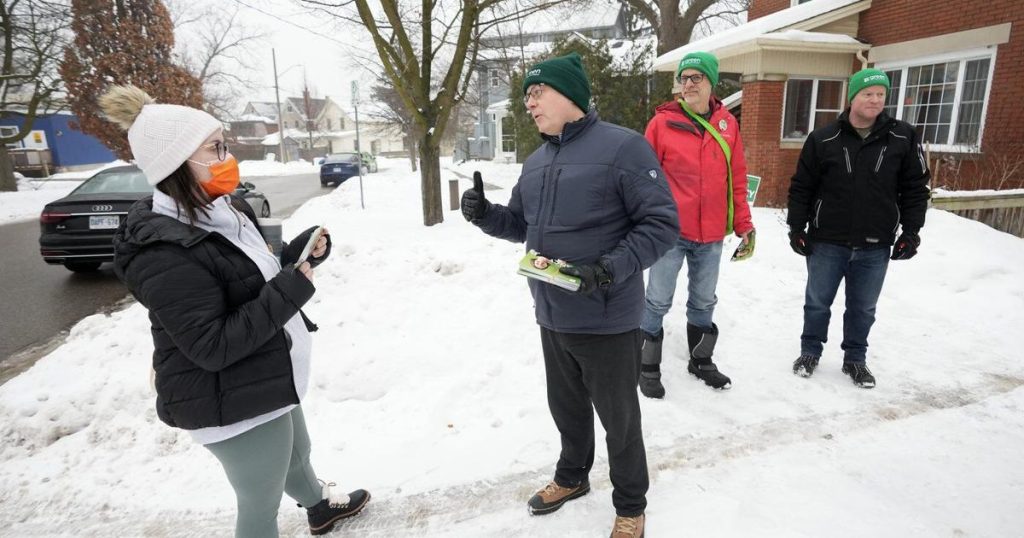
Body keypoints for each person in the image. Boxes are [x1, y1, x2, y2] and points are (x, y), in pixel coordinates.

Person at [101, 85, 369, 537]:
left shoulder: (225, 209)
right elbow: (212, 345)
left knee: (297, 449)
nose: (227, 157)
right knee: (259, 500)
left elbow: (245, 282)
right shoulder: (163, 250)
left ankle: (319, 506)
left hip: (263, 371)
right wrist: (292, 287)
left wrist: (294, 260)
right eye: (215, 148)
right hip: (226, 396)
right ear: (175, 163)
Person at [461, 52, 677, 538]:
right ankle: (572, 477)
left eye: (537, 92)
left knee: (618, 419)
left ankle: (631, 504)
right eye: (526, 95)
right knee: (567, 407)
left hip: (606, 316)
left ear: (569, 96)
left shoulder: (624, 149)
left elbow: (661, 224)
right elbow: (519, 225)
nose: (529, 103)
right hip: (552, 311)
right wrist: (483, 213)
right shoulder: (537, 161)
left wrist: (606, 270)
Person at [787, 68, 930, 388]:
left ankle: (855, 360)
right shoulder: (823, 139)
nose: (875, 100)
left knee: (863, 307)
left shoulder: (903, 137)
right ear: (852, 97)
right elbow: (802, 187)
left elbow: (916, 188)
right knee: (817, 302)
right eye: (868, 94)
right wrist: (796, 227)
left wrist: (910, 231)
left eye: (881, 94)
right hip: (827, 240)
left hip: (875, 242)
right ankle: (809, 352)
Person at [637, 51, 755, 398]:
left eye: (696, 78)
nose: (688, 84)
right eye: (684, 78)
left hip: (712, 234)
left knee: (704, 301)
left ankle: (701, 361)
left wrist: (744, 223)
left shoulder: (726, 124)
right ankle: (646, 365)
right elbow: (645, 178)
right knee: (657, 300)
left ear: (710, 83)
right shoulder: (662, 123)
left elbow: (737, 177)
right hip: (670, 233)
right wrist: (647, 220)